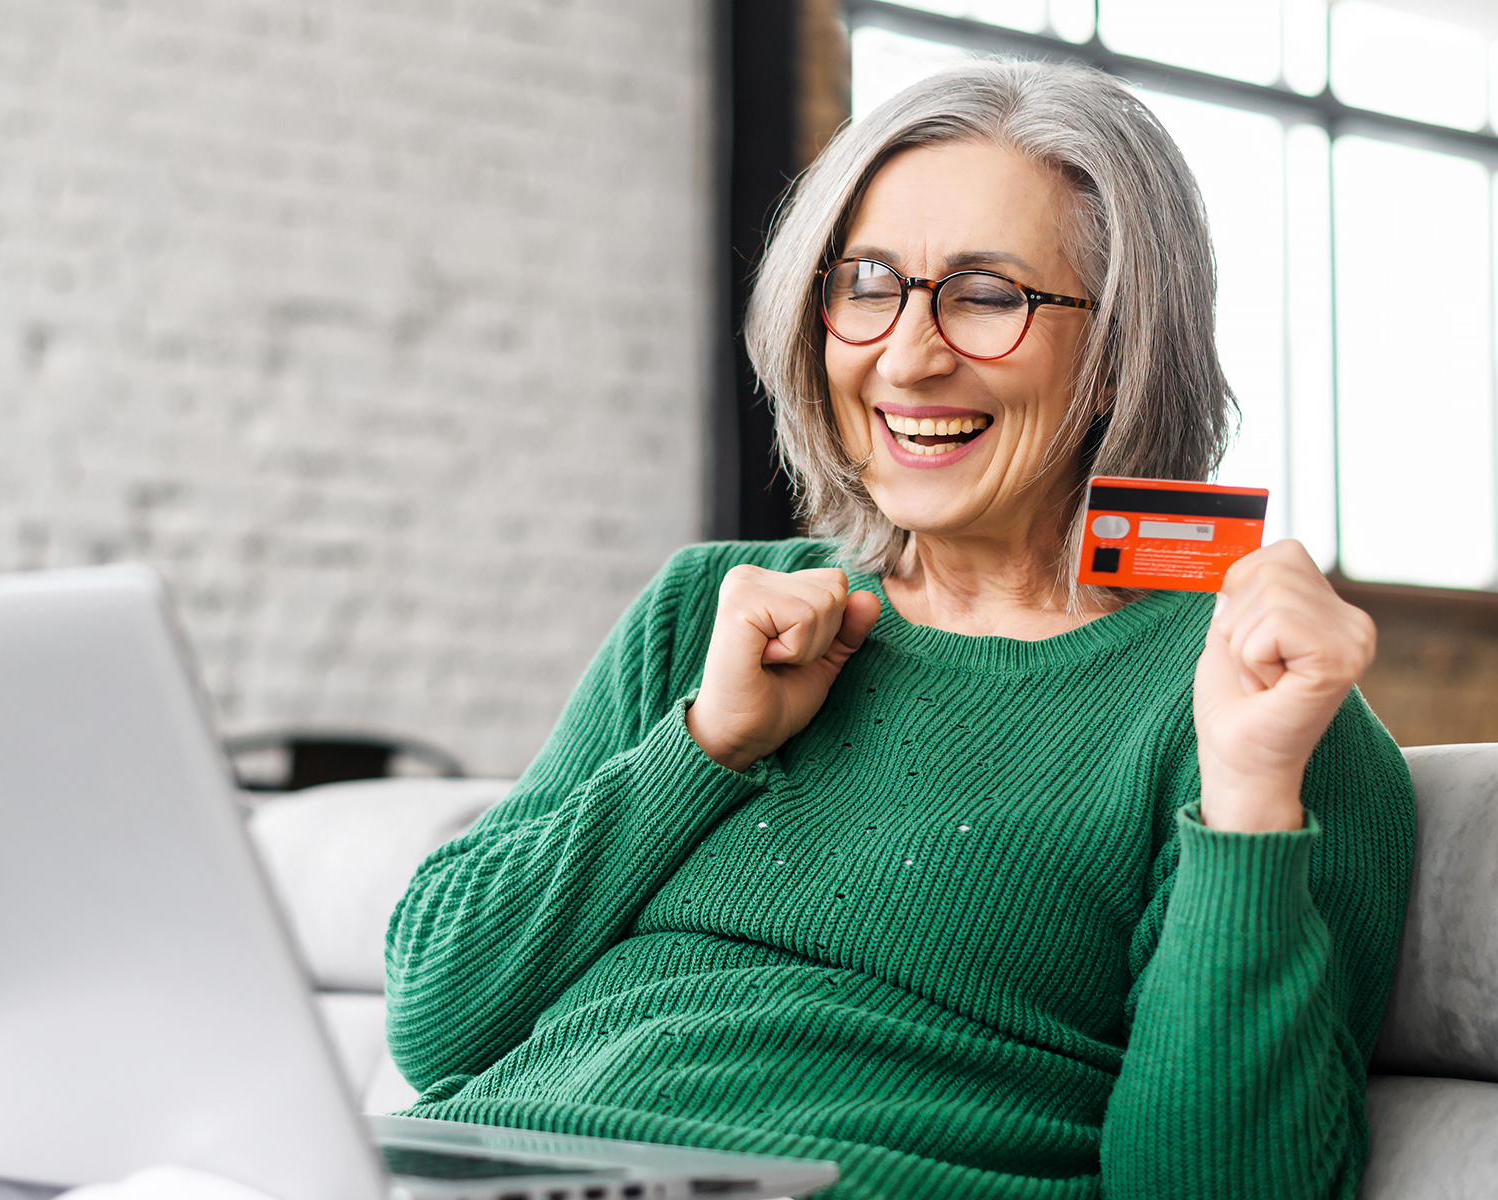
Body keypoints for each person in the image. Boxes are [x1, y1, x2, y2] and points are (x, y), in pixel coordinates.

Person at [381, 60, 1413, 1200]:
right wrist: (700, 748)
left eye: (986, 296)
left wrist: (1250, 800)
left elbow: (1218, 1188)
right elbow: (436, 1021)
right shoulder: (709, 612)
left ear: (1118, 351)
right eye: (867, 283)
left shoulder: (1255, 707)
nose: (908, 356)